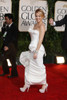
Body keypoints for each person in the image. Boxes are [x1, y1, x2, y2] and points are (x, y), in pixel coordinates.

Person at [19, 9, 48, 93]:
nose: (37, 17)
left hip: (38, 49)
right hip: (31, 48)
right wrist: (32, 48)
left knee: (39, 67)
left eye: (39, 16)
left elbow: (40, 40)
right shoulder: (34, 25)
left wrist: (36, 51)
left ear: (42, 16)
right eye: (36, 15)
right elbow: (33, 38)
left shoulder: (42, 26)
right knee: (29, 67)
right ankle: (26, 84)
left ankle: (44, 84)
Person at [0, 13, 18, 78]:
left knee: (12, 60)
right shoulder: (6, 26)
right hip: (5, 46)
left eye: (6, 19)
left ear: (11, 19)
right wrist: (3, 26)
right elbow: (3, 35)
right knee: (2, 58)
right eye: (5, 19)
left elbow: (14, 38)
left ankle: (14, 74)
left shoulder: (14, 27)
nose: (5, 20)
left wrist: (8, 46)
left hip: (12, 46)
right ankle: (6, 71)